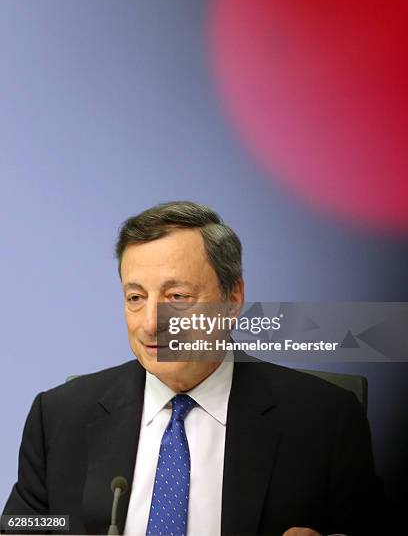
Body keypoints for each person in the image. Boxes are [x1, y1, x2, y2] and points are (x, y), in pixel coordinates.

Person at [2, 201, 386, 536]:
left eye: (177, 297)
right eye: (136, 297)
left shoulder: (325, 418)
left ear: (232, 299)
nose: (152, 322)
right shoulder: (59, 415)